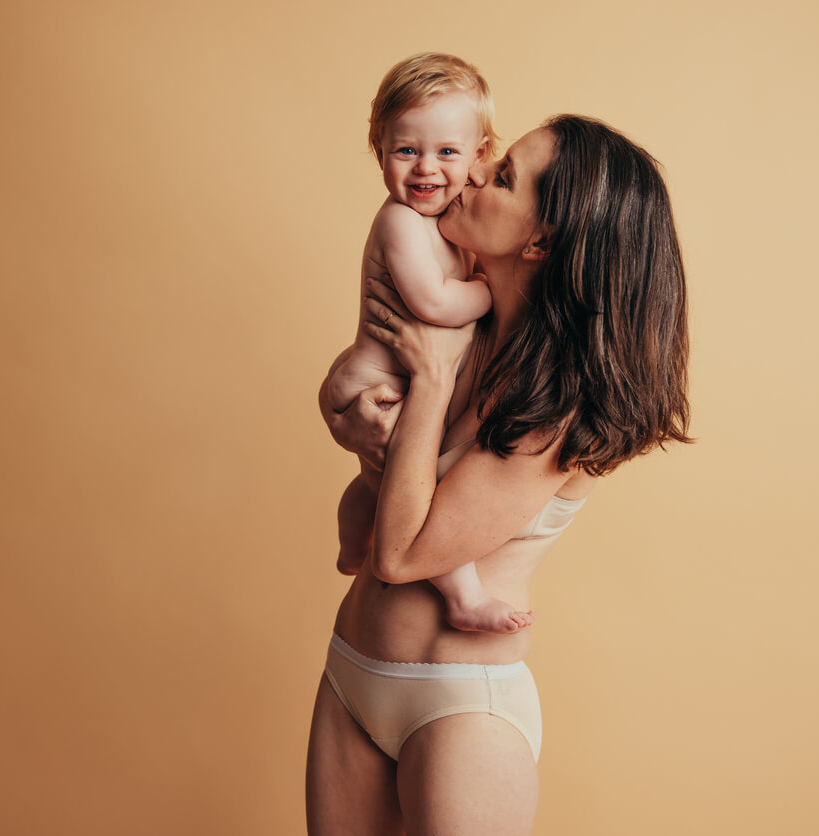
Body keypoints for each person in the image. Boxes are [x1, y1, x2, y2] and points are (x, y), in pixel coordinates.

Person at [307, 114, 692, 835]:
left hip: (459, 707)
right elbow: (369, 424)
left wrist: (427, 377)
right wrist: (352, 418)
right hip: (351, 671)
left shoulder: (558, 411)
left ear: (540, 240)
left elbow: (399, 554)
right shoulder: (459, 318)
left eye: (504, 175)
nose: (474, 172)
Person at [327, 52, 532, 634]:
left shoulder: (448, 222)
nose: (425, 169)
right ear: (380, 152)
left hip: (396, 383)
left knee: (377, 482)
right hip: (376, 385)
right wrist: (487, 290)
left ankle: (351, 544)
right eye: (405, 150)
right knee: (410, 487)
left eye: (447, 152)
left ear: (479, 156)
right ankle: (464, 594)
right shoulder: (401, 222)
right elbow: (432, 304)